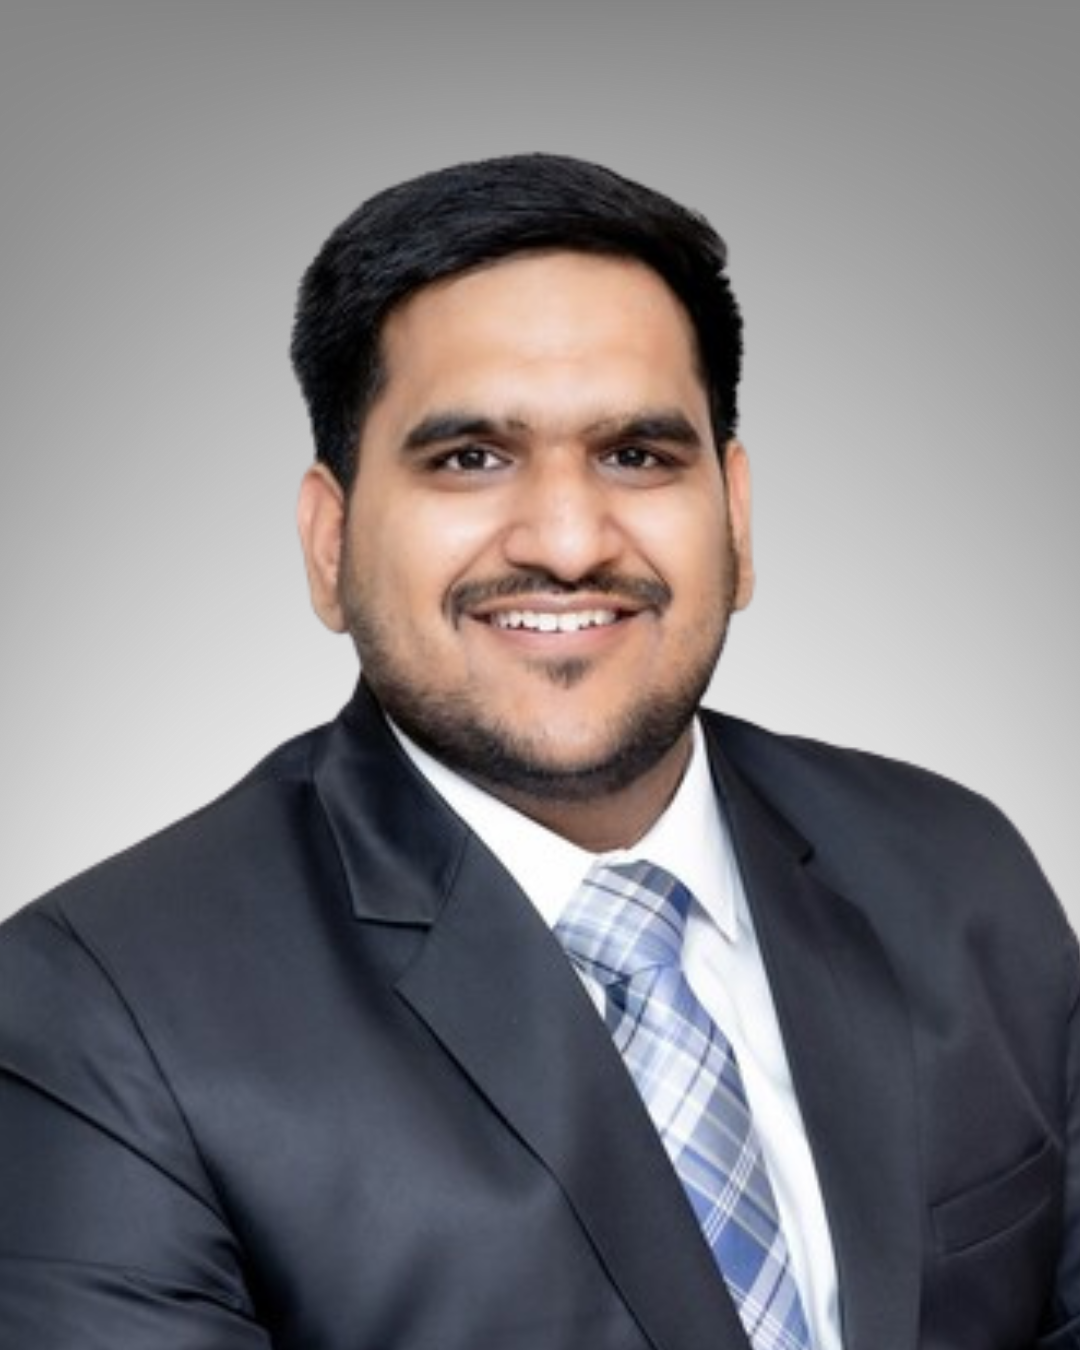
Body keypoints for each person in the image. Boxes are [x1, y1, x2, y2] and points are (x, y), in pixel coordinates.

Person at [0, 154, 1076, 1350]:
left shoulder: (958, 874)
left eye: (637, 455)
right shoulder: (98, 1017)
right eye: (470, 457)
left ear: (735, 516)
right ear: (330, 543)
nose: (568, 541)